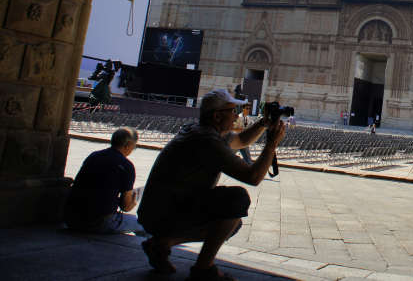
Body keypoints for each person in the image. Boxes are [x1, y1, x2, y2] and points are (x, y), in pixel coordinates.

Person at [137, 89, 286, 280]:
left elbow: (241, 140)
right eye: (232, 111)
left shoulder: (200, 131)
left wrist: (264, 123)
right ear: (217, 116)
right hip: (164, 213)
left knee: (233, 223)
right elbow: (254, 177)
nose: (236, 116)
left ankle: (163, 243)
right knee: (236, 200)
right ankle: (203, 269)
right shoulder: (207, 141)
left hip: (159, 209)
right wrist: (271, 145)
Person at [64, 127, 140, 233]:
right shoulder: (126, 166)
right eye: (134, 147)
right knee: (142, 225)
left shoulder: (93, 156)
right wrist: (133, 202)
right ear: (128, 145)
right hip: (97, 222)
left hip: (71, 218)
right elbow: (125, 207)